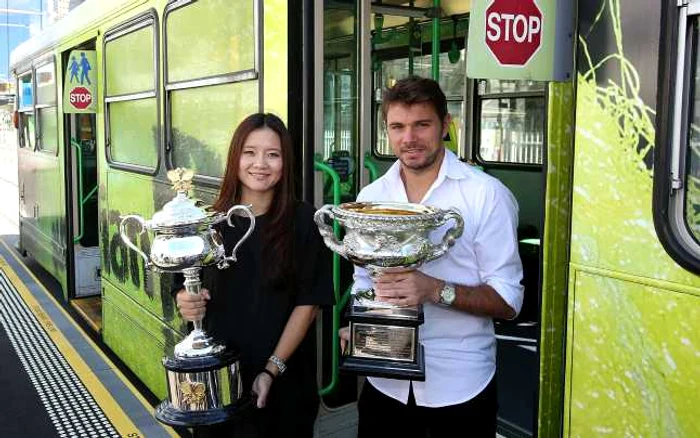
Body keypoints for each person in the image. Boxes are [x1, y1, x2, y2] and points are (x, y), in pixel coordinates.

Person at [341, 76, 524, 437]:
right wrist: (358, 323)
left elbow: (509, 302)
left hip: (460, 387)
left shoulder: (487, 195)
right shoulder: (372, 196)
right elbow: (363, 279)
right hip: (384, 381)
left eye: (421, 124)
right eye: (398, 127)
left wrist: (434, 289)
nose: (409, 138)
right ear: (388, 131)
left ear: (445, 125)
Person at [174, 113, 334, 437]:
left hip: (282, 386)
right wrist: (185, 301)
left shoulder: (304, 221)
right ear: (235, 157)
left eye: (272, 154)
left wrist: (271, 370)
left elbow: (309, 304)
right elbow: (183, 287)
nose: (260, 163)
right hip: (215, 383)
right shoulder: (207, 222)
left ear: (285, 162)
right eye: (250, 152)